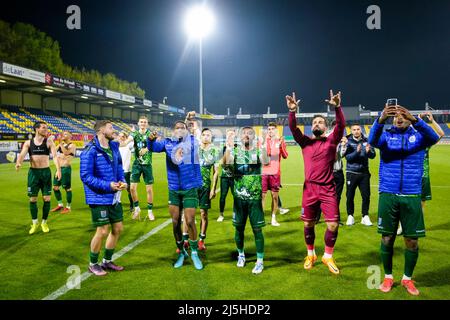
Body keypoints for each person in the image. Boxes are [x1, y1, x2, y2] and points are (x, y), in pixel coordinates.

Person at [369, 104, 439, 296]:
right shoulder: (386, 136)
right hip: (388, 194)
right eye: (396, 116)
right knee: (387, 237)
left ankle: (407, 278)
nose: (399, 118)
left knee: (412, 241)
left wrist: (417, 120)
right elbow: (372, 139)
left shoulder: (419, 137)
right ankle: (388, 276)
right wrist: (380, 120)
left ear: (409, 118)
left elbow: (434, 137)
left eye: (403, 116)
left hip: (411, 194)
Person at [287, 90, 345, 275]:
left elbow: (341, 125)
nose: (316, 124)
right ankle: (310, 254)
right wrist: (292, 112)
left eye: (320, 122)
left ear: (326, 127)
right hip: (309, 190)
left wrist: (337, 108)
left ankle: (328, 256)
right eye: (314, 122)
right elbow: (293, 128)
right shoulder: (305, 142)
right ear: (311, 127)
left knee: (333, 225)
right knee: (308, 224)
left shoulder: (331, 141)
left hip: (328, 189)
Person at [148, 118, 204, 270]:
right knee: (174, 222)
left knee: (190, 220)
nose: (179, 129)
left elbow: (186, 149)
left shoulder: (192, 141)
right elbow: (153, 147)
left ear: (186, 130)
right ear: (173, 130)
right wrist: (150, 140)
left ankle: (194, 252)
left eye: (182, 127)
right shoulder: (167, 142)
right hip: (174, 187)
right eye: (177, 128)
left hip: (190, 186)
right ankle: (181, 252)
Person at [80, 120, 127, 276]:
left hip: (113, 196)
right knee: (103, 230)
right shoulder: (90, 150)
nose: (114, 130)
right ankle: (93, 264)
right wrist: (108, 185)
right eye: (110, 127)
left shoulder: (113, 146)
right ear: (101, 130)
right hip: (98, 196)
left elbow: (119, 167)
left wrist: (123, 181)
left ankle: (107, 261)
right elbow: (85, 176)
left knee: (118, 228)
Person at [224, 126, 269, 274]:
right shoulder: (235, 151)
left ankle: (260, 261)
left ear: (253, 137)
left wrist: (262, 144)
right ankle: (241, 255)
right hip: (239, 199)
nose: (246, 135)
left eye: (250, 133)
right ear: (240, 136)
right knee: (239, 229)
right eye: (243, 133)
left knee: (257, 230)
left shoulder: (257, 150)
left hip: (255, 198)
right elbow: (227, 166)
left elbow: (267, 161)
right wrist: (228, 147)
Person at [397, 112, 444, 234]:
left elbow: (441, 134)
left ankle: (417, 225)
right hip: (409, 177)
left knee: (421, 204)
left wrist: (432, 121)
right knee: (404, 204)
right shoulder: (408, 142)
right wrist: (415, 120)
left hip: (423, 177)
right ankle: (402, 227)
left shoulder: (425, 144)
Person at [15, 121, 61, 234]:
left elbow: (55, 156)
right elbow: (21, 155)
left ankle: (44, 222)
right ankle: (35, 223)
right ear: (37, 129)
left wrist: (58, 169)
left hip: (45, 173)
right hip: (33, 174)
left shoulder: (49, 141)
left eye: (46, 128)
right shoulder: (28, 143)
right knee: (33, 199)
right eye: (44, 128)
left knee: (47, 199)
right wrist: (18, 162)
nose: (46, 130)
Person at [121, 116, 155, 221]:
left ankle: (150, 211)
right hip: (137, 164)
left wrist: (147, 148)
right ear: (138, 123)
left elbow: (155, 145)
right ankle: (137, 208)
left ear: (147, 124)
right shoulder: (134, 134)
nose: (143, 123)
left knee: (149, 189)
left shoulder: (150, 134)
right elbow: (128, 140)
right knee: (131, 188)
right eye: (141, 122)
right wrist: (123, 143)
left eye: (145, 122)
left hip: (147, 164)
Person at [344, 124, 376, 226]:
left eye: (358, 129)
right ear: (351, 131)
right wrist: (357, 152)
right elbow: (348, 158)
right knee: (349, 196)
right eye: (354, 129)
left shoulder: (367, 140)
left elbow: (373, 155)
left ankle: (365, 216)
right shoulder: (348, 141)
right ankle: (350, 216)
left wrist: (368, 152)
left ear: (361, 130)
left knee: (366, 196)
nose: (356, 131)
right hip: (351, 172)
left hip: (364, 173)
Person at [196, 128, 220, 250]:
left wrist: (213, 189)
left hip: (205, 187)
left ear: (211, 137)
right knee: (187, 213)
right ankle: (185, 240)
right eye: (204, 135)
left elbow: (216, 172)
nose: (205, 137)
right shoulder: (195, 148)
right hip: (192, 186)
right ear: (200, 137)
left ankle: (201, 239)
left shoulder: (215, 151)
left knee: (203, 214)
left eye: (208, 135)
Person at [261, 122, 288, 226]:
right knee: (262, 196)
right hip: (264, 173)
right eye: (269, 129)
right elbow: (263, 155)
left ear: (276, 130)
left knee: (275, 196)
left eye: (272, 129)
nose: (270, 130)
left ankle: (273, 218)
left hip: (275, 173)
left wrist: (281, 146)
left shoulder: (280, 141)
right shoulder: (263, 141)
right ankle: (262, 219)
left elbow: (285, 156)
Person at [51, 131, 76, 214]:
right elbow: (53, 151)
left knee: (67, 188)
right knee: (55, 187)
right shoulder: (61, 144)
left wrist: (60, 144)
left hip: (65, 169)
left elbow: (66, 153)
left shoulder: (72, 145)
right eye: (63, 134)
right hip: (59, 169)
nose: (63, 135)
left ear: (70, 136)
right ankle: (60, 204)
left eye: (65, 134)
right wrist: (52, 141)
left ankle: (68, 207)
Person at [217, 128, 236, 222]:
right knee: (223, 196)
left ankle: (235, 213)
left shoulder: (237, 148)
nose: (230, 137)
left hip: (234, 177)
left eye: (232, 135)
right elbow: (221, 162)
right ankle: (221, 214)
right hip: (224, 177)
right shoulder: (223, 148)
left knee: (235, 196)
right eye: (228, 135)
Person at [118, 132, 134, 213]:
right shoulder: (115, 146)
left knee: (129, 189)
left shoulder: (129, 145)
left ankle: (132, 204)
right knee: (118, 189)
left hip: (126, 171)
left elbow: (133, 139)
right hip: (117, 171)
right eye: (120, 136)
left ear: (125, 137)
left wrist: (132, 133)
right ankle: (117, 205)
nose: (121, 138)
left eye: (123, 136)